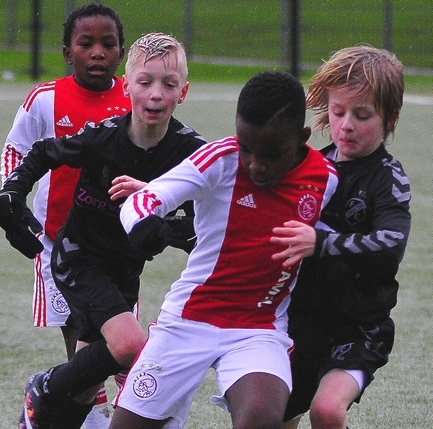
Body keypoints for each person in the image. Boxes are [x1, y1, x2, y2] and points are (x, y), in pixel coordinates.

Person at [0, 32, 205, 429]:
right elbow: (43, 152)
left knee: (87, 385)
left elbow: (206, 217)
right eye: (145, 82)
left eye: (168, 84)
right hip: (78, 258)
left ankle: (45, 421)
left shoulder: (190, 151)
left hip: (125, 271)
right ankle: (43, 387)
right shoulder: (104, 136)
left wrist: (166, 228)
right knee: (129, 346)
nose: (156, 94)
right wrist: (12, 192)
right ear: (126, 87)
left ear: (183, 91)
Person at [112, 71, 339, 429]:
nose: (255, 164)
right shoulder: (220, 158)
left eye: (271, 154)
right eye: (247, 148)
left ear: (302, 139)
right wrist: (143, 225)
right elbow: (145, 198)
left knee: (262, 419)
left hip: (259, 328)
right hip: (188, 320)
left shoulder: (327, 179)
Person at [0, 3, 131, 426]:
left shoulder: (135, 95)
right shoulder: (46, 98)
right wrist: (12, 196)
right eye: (86, 43)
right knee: (80, 336)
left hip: (119, 246)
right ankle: (88, 416)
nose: (97, 53)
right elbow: (16, 148)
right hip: (58, 242)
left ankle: (48, 393)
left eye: (108, 44)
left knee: (117, 344)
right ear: (67, 52)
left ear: (121, 51)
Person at [270, 46, 411, 429]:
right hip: (298, 322)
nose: (346, 124)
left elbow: (390, 244)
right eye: (338, 112)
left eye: (362, 115)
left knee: (327, 411)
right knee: (271, 415)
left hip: (359, 327)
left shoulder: (388, 180)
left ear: (390, 119)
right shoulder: (310, 166)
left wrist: (322, 243)